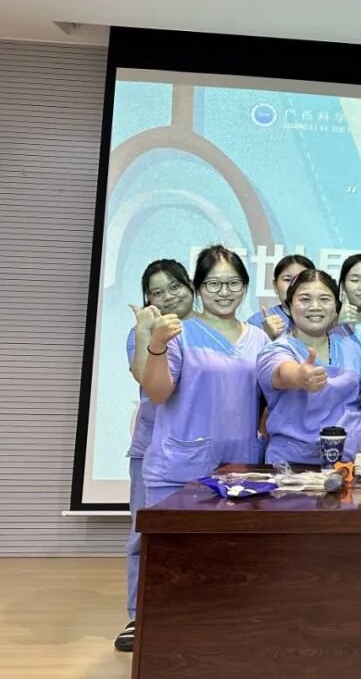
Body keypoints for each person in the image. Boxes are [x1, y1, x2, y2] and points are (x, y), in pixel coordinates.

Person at [140, 245, 269, 507]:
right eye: (214, 284)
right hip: (179, 473)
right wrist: (157, 343)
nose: (224, 292)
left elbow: (269, 402)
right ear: (197, 288)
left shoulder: (260, 339)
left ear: (245, 286)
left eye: (233, 283)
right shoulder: (179, 334)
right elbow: (158, 393)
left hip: (238, 473)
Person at [114, 260, 195, 653]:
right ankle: (139, 613)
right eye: (157, 292)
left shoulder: (210, 330)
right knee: (143, 533)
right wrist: (148, 333)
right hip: (152, 447)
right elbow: (142, 376)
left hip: (199, 448)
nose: (168, 296)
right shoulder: (142, 332)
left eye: (175, 286)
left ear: (191, 286)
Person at [258, 269, 361, 465]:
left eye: (324, 299)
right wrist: (300, 377)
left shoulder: (351, 347)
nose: (315, 307)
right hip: (291, 467)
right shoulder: (277, 349)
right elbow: (282, 373)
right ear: (288, 306)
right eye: (305, 299)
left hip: (348, 464)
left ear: (336, 307)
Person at [246, 253, 315, 340]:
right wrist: (266, 336)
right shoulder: (257, 322)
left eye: (302, 280)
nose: (294, 285)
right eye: (287, 280)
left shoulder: (324, 319)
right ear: (275, 286)